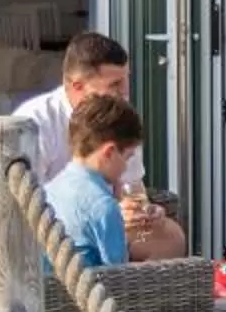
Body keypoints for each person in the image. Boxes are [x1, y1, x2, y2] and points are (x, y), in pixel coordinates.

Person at [12, 32, 186, 262]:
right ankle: (116, 291)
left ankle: (142, 294)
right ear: (77, 86)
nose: (125, 93)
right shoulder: (34, 122)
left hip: (102, 218)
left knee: (171, 235)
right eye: (115, 84)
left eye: (126, 81)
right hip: (44, 232)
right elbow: (22, 206)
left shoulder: (118, 117)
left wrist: (145, 212)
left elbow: (131, 189)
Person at [41, 93, 145, 269]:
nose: (125, 168)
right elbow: (119, 280)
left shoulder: (48, 191)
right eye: (127, 158)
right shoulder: (103, 206)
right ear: (109, 152)